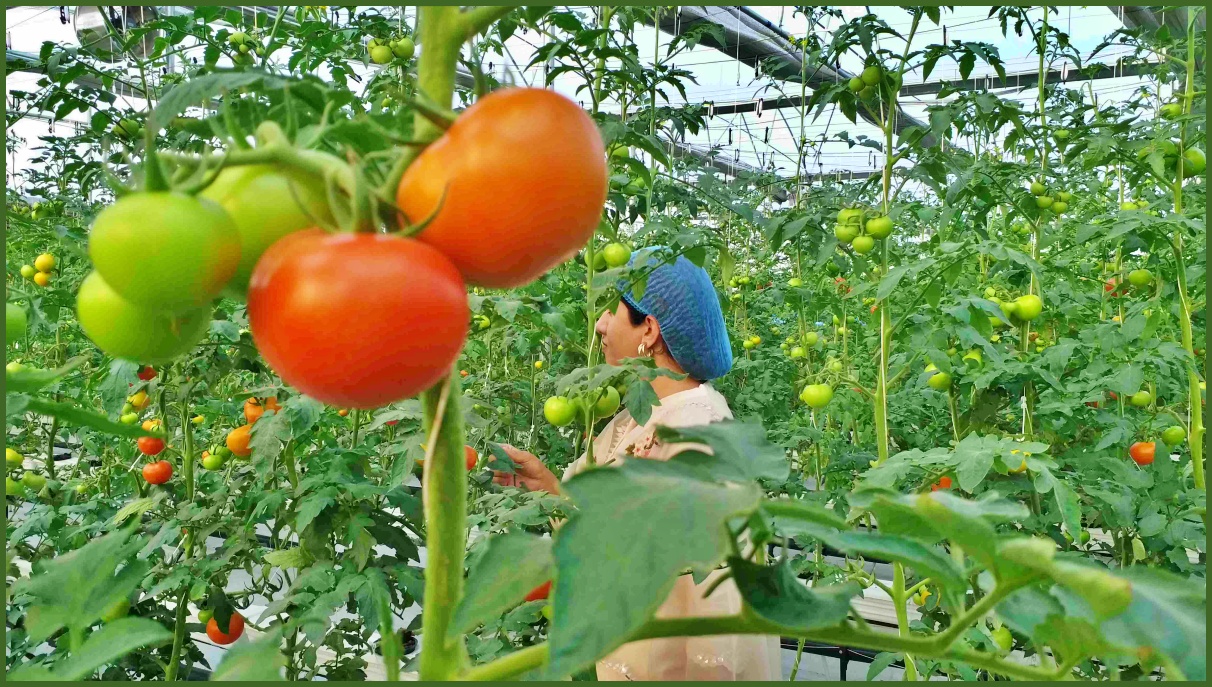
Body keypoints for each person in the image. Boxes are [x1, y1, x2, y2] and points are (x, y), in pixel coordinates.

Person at [492, 249, 783, 681]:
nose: (600, 325)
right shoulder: (639, 416)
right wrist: (548, 487)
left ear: (649, 329)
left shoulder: (698, 432)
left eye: (612, 311)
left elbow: (712, 599)